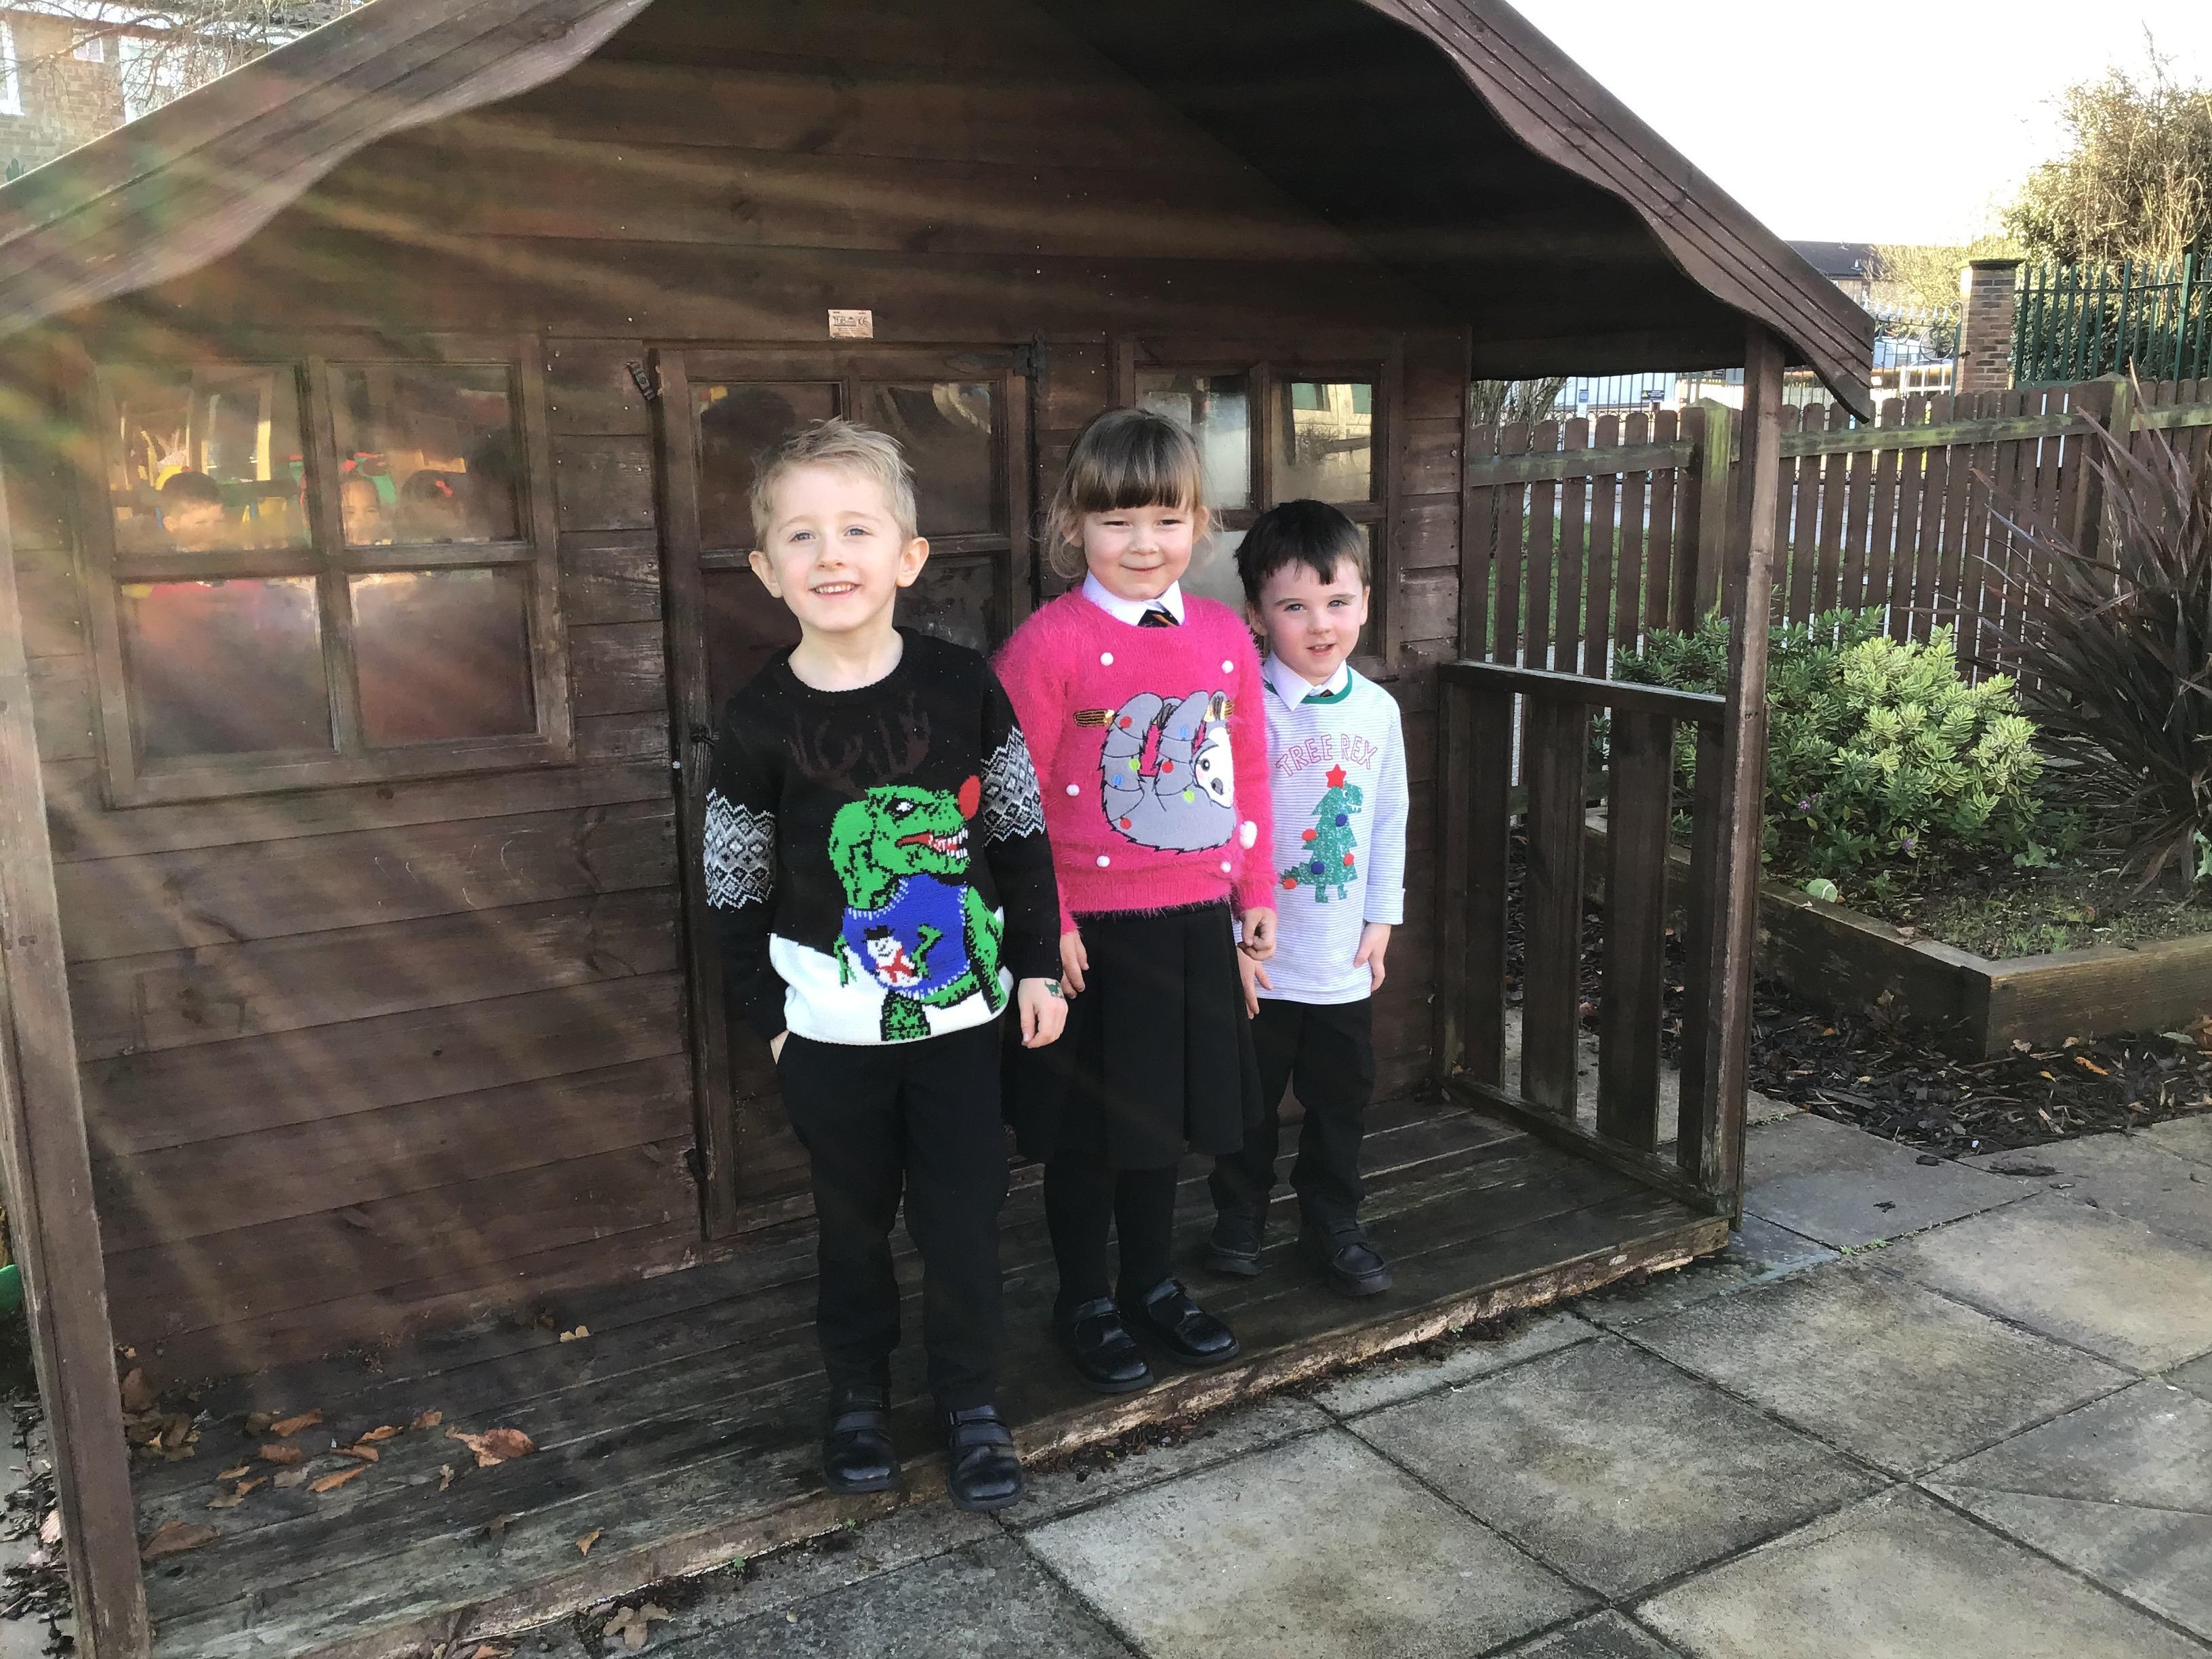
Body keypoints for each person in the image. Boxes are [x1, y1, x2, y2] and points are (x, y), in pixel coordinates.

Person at [704, 417, 1064, 1512]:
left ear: (907, 557)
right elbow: (733, 881)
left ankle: (970, 1400)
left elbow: (1018, 830)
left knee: (961, 1221)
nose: (831, 554)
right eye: (801, 534)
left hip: (959, 1025)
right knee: (850, 1225)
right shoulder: (757, 718)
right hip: (827, 1035)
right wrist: (772, 1019)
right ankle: (856, 1395)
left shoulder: (963, 688)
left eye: (856, 529)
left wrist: (1036, 964)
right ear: (766, 568)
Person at [996, 407, 1275, 1395]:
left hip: (1193, 926)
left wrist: (1254, 894)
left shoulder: (1224, 638)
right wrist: (1048, 928)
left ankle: (1152, 1284)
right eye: (1117, 523)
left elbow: (1248, 771)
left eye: (1166, 520)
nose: (1144, 543)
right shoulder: (1047, 645)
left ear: (1199, 523)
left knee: (1160, 1128)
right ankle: (1085, 1300)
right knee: (1090, 1137)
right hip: (1089, 939)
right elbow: (1009, 799)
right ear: (1074, 526)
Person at [1205, 500, 1407, 1296]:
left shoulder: (1379, 712)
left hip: (1339, 957)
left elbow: (1388, 819)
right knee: (1247, 1104)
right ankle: (1239, 1215)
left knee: (1340, 1101)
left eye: (1337, 601)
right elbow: (1212, 832)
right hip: (1259, 961)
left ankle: (1333, 1219)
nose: (1320, 624)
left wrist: (1382, 917)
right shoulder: (1235, 709)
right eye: (1294, 606)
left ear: (1365, 602)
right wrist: (1226, 941)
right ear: (1256, 615)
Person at [157, 471, 232, 551]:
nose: (212, 531)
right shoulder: (157, 557)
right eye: (201, 523)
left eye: (219, 522)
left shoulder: (236, 554)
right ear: (171, 524)